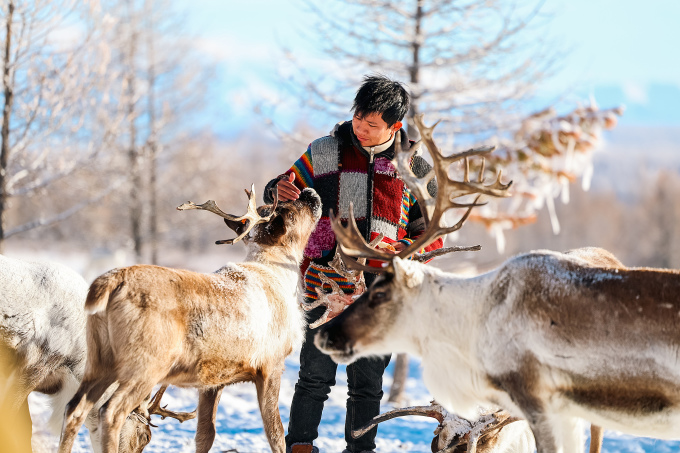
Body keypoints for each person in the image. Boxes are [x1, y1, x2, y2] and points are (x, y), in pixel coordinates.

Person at [263, 74, 443, 453]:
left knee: (367, 383)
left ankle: (360, 449)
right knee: (313, 376)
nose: (360, 128)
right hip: (323, 283)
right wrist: (277, 189)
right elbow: (280, 193)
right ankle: (299, 446)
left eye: (371, 125)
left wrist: (401, 253)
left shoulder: (416, 168)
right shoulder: (326, 150)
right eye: (358, 118)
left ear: (395, 126)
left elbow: (432, 233)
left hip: (379, 294)